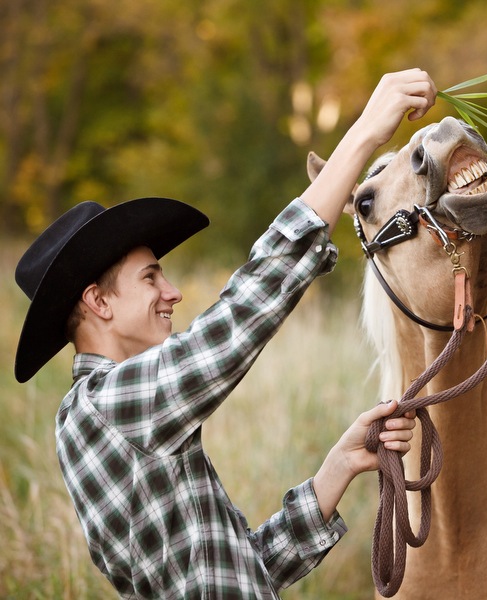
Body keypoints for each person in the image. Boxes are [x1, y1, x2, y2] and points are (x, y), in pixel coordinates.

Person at [13, 69, 437, 598]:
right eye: (150, 278)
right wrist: (367, 131)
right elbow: (238, 318)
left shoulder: (127, 417)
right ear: (97, 302)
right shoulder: (105, 407)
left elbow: (237, 572)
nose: (173, 293)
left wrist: (340, 464)